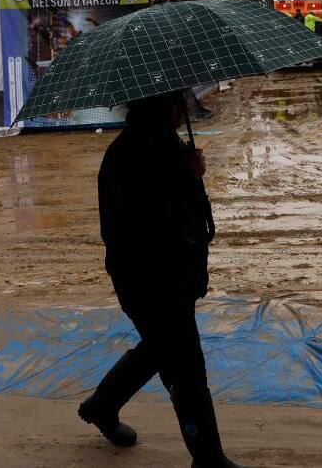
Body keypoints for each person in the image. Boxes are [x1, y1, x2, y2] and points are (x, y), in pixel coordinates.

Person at [79, 91, 241, 468]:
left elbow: (188, 223)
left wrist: (191, 176)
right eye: (179, 104)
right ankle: (208, 458)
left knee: (160, 347)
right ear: (163, 108)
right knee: (185, 366)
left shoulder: (157, 148)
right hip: (151, 281)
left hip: (161, 278)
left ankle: (102, 406)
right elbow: (157, 224)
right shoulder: (136, 157)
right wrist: (189, 178)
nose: (184, 110)